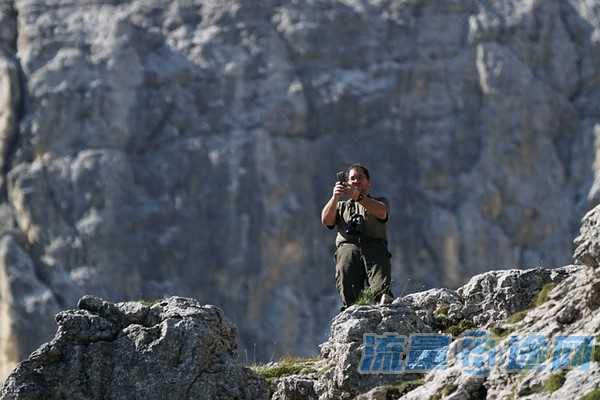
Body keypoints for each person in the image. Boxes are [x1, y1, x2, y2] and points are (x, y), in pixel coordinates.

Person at [321, 164, 393, 310]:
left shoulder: (379, 201)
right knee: (346, 255)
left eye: (360, 178)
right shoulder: (341, 206)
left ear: (368, 182)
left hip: (373, 246)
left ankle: (382, 297)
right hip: (349, 248)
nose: (356, 181)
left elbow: (382, 213)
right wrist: (335, 197)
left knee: (377, 255)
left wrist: (359, 197)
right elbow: (326, 220)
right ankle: (351, 306)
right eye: (352, 178)